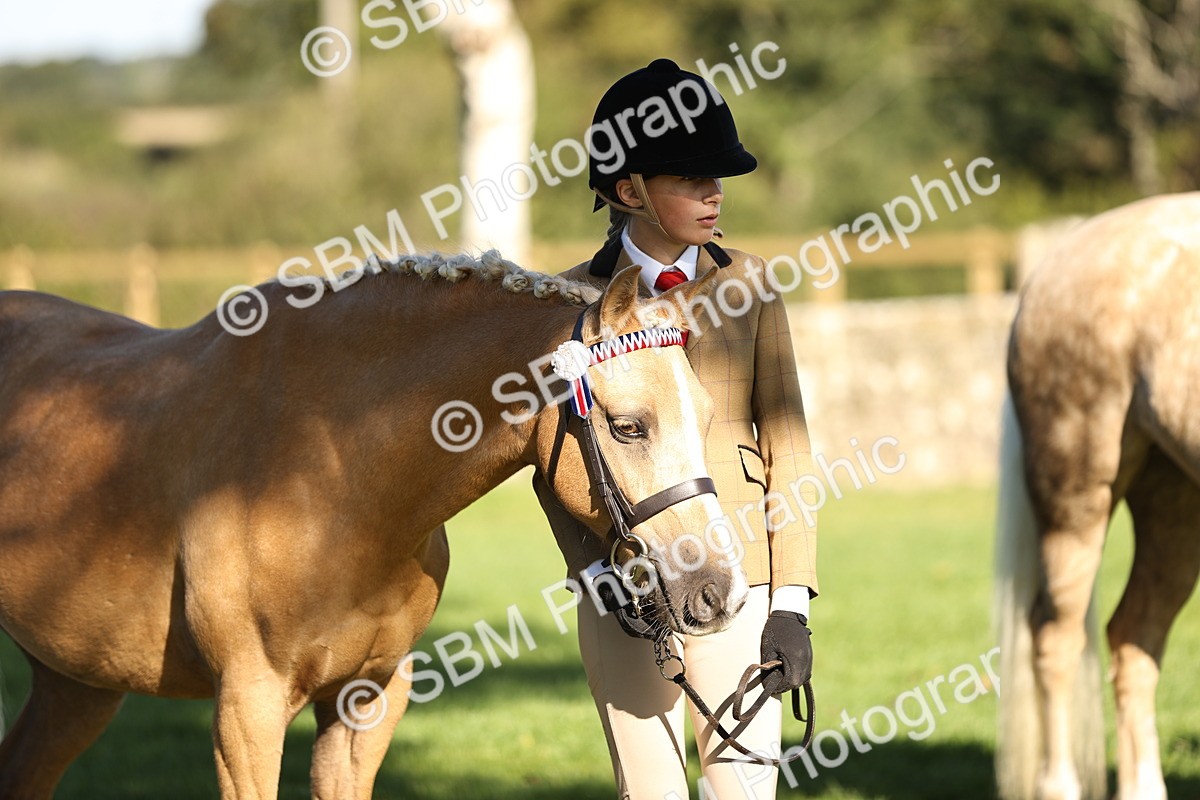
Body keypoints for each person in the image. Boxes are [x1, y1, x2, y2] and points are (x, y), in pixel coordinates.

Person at [532, 58, 818, 800]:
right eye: (691, 179)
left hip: (743, 573)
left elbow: (790, 445)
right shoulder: (569, 304)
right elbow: (549, 461)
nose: (714, 193)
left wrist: (790, 603)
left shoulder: (750, 285)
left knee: (744, 790)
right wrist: (596, 574)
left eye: (716, 178)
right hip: (625, 589)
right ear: (629, 191)